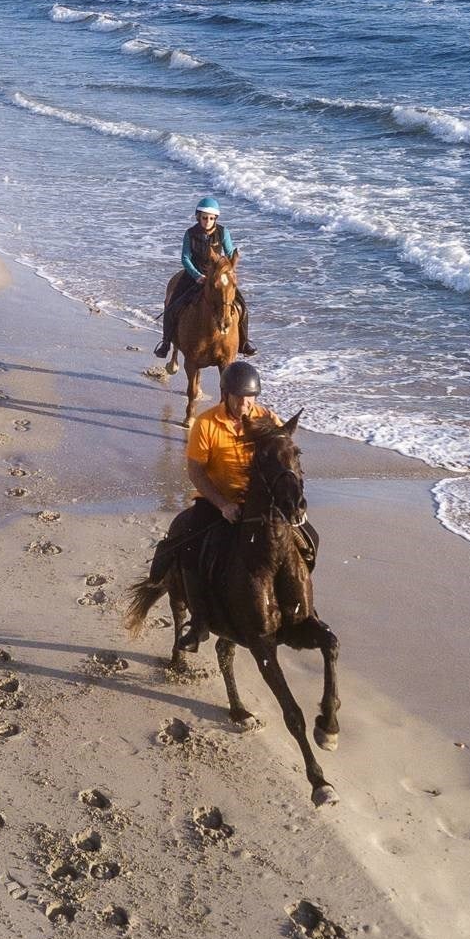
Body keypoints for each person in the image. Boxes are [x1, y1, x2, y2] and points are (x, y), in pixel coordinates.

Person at [155, 360, 300, 649]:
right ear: (226, 395)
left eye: (251, 398)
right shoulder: (206, 424)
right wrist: (223, 505)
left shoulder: (267, 419)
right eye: (239, 398)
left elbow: (284, 455)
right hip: (216, 501)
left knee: (308, 541)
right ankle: (198, 622)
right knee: (190, 548)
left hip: (261, 503)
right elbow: (196, 471)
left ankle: (297, 606)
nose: (245, 404)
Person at [155, 196, 256, 357]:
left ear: (215, 219)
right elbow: (185, 258)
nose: (207, 221)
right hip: (194, 275)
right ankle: (166, 343)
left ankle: (244, 342)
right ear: (198, 217)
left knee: (241, 306)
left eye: (211, 218)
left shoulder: (223, 232)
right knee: (172, 306)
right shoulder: (190, 234)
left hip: (218, 276)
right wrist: (197, 275)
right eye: (204, 218)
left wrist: (231, 267)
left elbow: (229, 253)